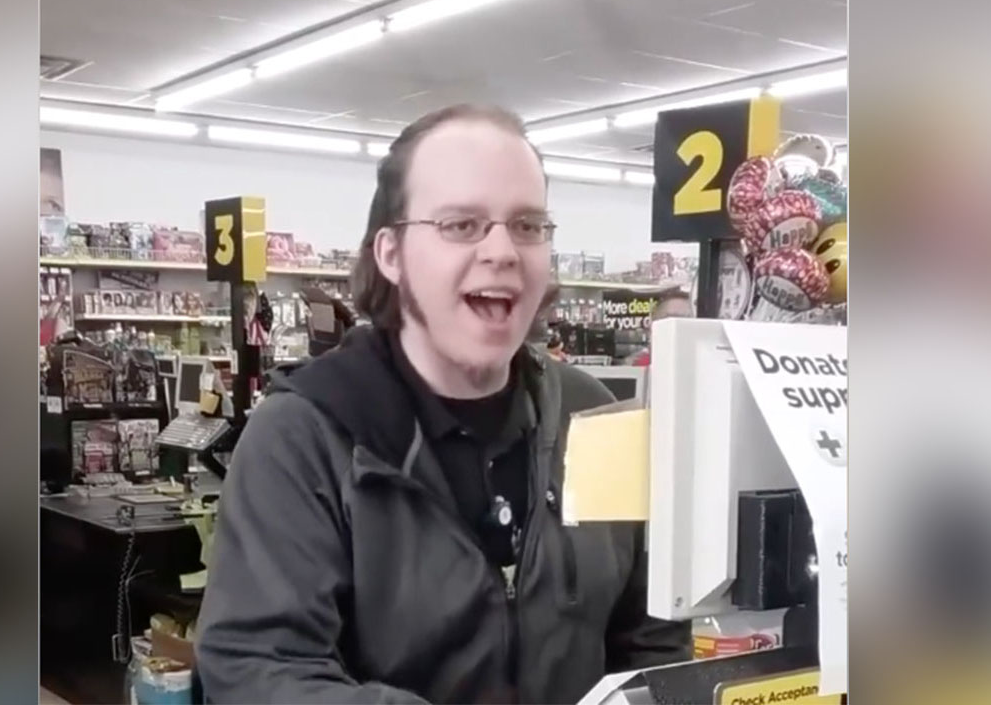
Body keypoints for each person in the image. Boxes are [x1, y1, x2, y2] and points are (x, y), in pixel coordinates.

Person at [195, 104, 689, 704]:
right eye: (461, 224)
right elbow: (259, 668)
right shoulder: (303, 435)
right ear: (391, 254)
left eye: (528, 225)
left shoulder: (593, 416)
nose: (503, 250)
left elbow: (651, 637)